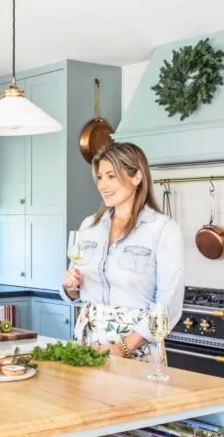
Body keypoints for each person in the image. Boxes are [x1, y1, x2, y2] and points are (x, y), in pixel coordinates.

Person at [60, 142, 184, 359]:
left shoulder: (163, 230)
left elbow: (168, 304)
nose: (103, 185)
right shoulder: (89, 226)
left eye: (111, 176)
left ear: (137, 177)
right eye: (100, 177)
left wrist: (124, 347)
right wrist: (70, 286)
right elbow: (74, 292)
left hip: (137, 348)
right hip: (87, 345)